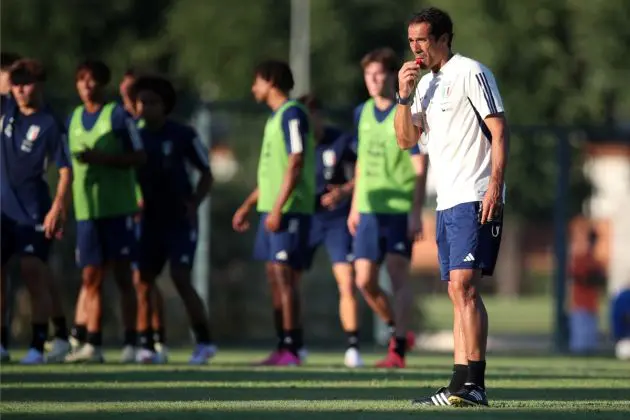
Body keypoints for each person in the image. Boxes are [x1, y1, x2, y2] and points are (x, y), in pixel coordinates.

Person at [395, 7, 508, 406]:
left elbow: (498, 129)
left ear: (443, 38)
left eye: (422, 40)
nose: (415, 48)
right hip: (446, 201)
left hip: (475, 194)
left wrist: (495, 184)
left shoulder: (472, 72)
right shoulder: (424, 85)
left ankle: (475, 384)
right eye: (411, 41)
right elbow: (406, 141)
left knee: (464, 286)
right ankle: (460, 384)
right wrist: (404, 97)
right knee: (456, 292)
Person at [347, 48, 427, 369]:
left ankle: (398, 351)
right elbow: (362, 162)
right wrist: (354, 206)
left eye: (380, 73)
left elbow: (420, 165)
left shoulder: (405, 111)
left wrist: (415, 211)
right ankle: (400, 331)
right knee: (363, 281)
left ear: (391, 76)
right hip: (367, 209)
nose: (374, 79)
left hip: (397, 209)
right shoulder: (361, 113)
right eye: (369, 74)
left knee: (396, 275)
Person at [232, 60, 314, 366]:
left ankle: (292, 348)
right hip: (272, 210)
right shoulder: (275, 117)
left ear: (270, 81)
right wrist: (248, 205)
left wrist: (278, 208)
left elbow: (295, 162)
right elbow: (272, 173)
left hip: (290, 210)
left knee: (284, 277)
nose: (254, 88)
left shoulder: (292, 114)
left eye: (257, 81)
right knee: (274, 278)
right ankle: (284, 346)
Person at [130, 74, 216, 364]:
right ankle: (151, 343)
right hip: (148, 220)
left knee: (180, 277)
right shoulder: (133, 135)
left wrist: (194, 203)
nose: (146, 107)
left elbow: (207, 173)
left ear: (165, 105)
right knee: (143, 280)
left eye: (152, 102)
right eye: (141, 102)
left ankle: (204, 341)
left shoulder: (183, 135)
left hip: (179, 220)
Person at [64, 60, 145, 363]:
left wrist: (102, 158)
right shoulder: (72, 119)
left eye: (92, 80)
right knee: (90, 277)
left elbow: (139, 156)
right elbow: (64, 167)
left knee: (124, 278)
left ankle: (132, 342)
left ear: (102, 84)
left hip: (118, 208)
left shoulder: (118, 116)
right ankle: (92, 344)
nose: (86, 85)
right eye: (81, 80)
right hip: (87, 211)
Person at [0, 59, 72, 363]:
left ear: (40, 85)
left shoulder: (49, 123)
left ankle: (38, 344)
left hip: (34, 210)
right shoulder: (6, 112)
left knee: (33, 272)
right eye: (15, 84)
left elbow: (66, 169)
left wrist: (58, 205)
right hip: (3, 211)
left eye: (26, 83)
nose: (20, 89)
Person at [297, 94, 363, 368]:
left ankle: (352, 346)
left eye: (313, 115)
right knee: (291, 281)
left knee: (346, 282)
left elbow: (363, 169)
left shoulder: (341, 140)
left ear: (319, 115)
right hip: (305, 217)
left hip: (336, 220)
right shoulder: (295, 144)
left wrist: (345, 191)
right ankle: (293, 343)